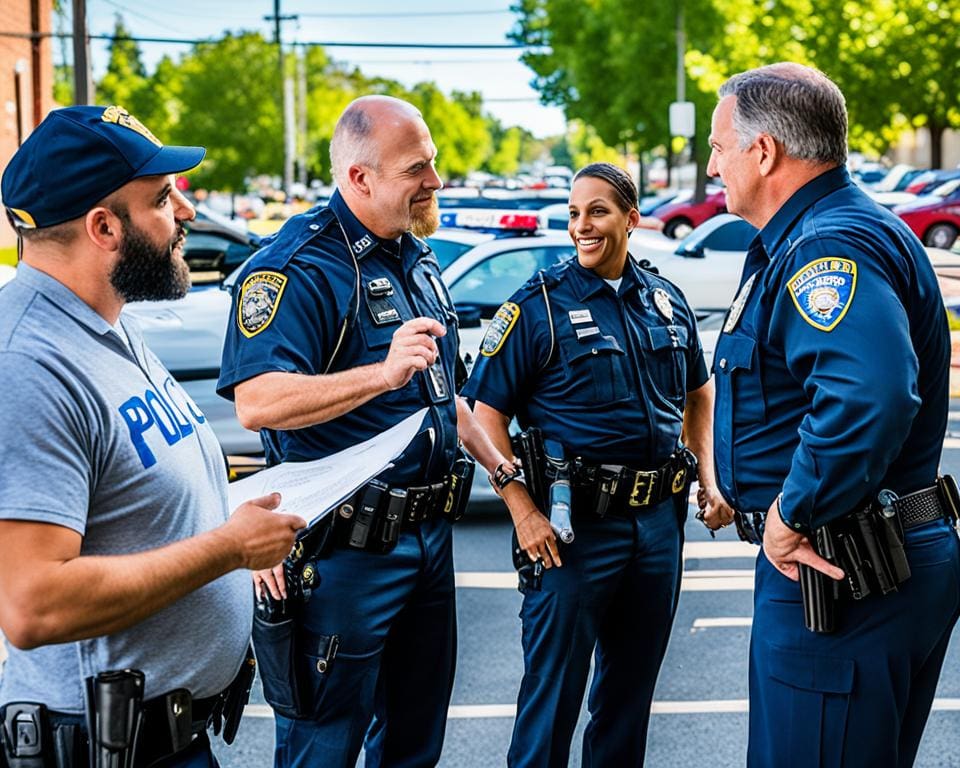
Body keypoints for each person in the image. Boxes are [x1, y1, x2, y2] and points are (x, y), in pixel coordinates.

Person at [216, 95, 526, 768]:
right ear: (359, 178)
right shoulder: (299, 266)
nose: (435, 182)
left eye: (434, 163)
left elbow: (447, 399)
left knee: (414, 745)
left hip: (427, 543)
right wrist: (380, 376)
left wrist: (507, 481)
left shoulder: (415, 257)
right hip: (344, 555)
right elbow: (258, 401)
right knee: (323, 749)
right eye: (418, 168)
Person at [0, 105, 305, 766]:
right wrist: (228, 550)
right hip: (103, 746)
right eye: (164, 198)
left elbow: (135, 476)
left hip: (166, 736)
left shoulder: (108, 323)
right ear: (104, 227)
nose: (187, 214)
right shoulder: (28, 364)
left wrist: (242, 510)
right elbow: (33, 605)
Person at [707, 62, 960, 767]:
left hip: (840, 568)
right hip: (862, 557)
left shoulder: (826, 245)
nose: (711, 164)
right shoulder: (828, 232)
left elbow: (866, 396)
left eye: (719, 146)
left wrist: (789, 517)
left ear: (764, 152)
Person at [463, 162, 734, 767]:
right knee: (551, 703)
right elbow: (484, 414)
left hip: (657, 529)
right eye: (573, 214)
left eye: (598, 211)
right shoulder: (538, 307)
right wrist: (522, 509)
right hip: (570, 533)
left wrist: (708, 478)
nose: (582, 226)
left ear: (631, 219)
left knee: (627, 703)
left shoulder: (666, 300)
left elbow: (700, 390)